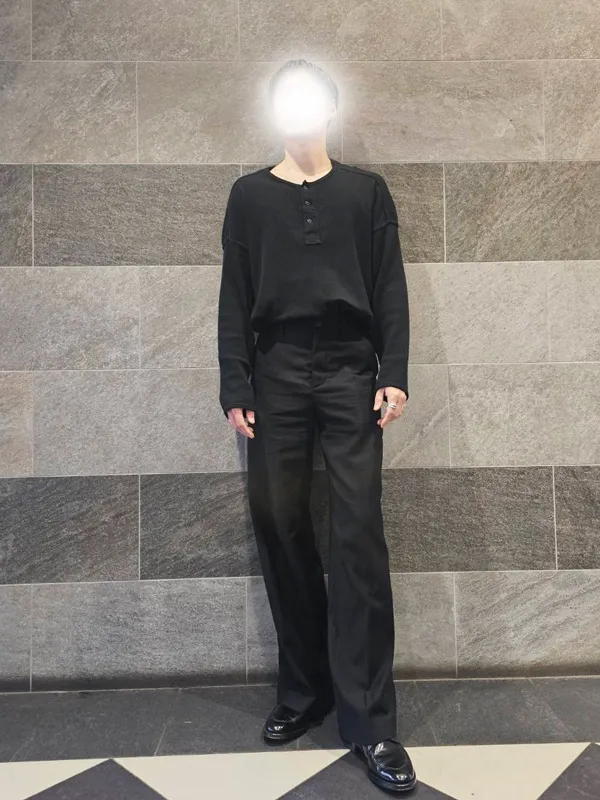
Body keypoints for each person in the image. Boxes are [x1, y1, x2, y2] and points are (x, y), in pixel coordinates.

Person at [217, 58, 415, 794]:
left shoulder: (367, 192)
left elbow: (389, 285)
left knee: (357, 534)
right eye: (287, 101)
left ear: (331, 109)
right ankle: (305, 691)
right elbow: (233, 294)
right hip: (274, 373)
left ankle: (372, 721)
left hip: (349, 370)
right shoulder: (248, 196)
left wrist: (393, 368)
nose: (300, 111)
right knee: (281, 523)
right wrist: (235, 380)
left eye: (311, 100)